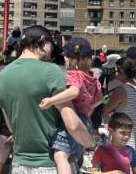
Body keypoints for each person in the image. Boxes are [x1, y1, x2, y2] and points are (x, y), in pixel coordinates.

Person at [0, 25, 95, 174]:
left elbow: (11, 126)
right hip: (51, 164)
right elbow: (73, 125)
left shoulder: (2, 76)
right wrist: (91, 143)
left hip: (19, 165)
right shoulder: (51, 71)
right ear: (43, 41)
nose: (51, 55)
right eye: (51, 47)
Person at [39, 37, 102, 174]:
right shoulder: (92, 78)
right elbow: (99, 99)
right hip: (85, 120)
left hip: (74, 118)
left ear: (67, 59)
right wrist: (88, 107)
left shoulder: (73, 75)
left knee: (60, 155)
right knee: (73, 156)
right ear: (89, 58)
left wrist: (51, 100)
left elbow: (74, 91)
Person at [102, 57, 136, 172]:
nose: (114, 73)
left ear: (122, 72)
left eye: (116, 71)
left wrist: (109, 128)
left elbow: (105, 112)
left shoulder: (121, 90)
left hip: (124, 139)